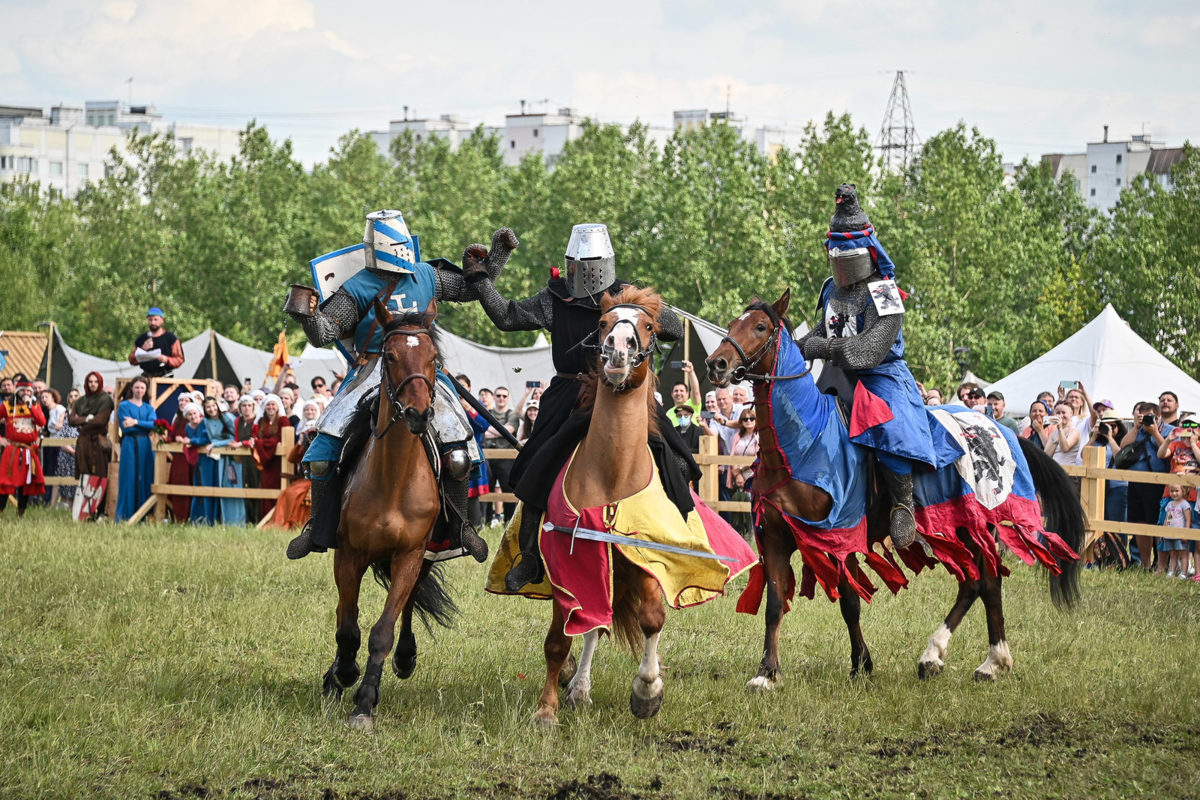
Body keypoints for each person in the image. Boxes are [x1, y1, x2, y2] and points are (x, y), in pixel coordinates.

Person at [467, 221, 693, 590]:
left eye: (594, 263)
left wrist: (639, 307)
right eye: (580, 264)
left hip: (620, 392)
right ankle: (529, 557)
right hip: (570, 394)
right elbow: (507, 317)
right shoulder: (555, 298)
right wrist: (480, 282)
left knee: (676, 455)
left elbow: (676, 329)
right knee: (535, 465)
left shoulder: (624, 298)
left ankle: (680, 532)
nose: (587, 272)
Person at [283, 211, 513, 562]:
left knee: (460, 450)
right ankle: (316, 527)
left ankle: (461, 527)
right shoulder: (358, 286)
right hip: (373, 367)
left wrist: (498, 256)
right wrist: (308, 317)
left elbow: (471, 289)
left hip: (422, 369)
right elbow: (326, 334)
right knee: (321, 450)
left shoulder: (425, 275)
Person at [796, 184, 962, 549]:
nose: (841, 263)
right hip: (838, 374)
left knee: (888, 427)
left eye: (847, 255)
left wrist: (820, 346)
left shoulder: (885, 292)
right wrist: (796, 348)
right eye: (835, 255)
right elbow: (821, 331)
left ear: (867, 253)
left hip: (882, 376)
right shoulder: (830, 289)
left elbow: (868, 351)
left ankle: (902, 504)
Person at [1119, 401, 1173, 570]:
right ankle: (1145, 563)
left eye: (1151, 416)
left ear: (1158, 416)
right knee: (1140, 523)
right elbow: (1123, 447)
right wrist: (1136, 427)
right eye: (1144, 416)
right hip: (1136, 482)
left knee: (1157, 523)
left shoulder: (1169, 430)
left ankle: (1160, 563)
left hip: (1158, 483)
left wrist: (1155, 432)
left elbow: (1168, 453)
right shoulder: (1138, 431)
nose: (1148, 419)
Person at [67, 371, 114, 516]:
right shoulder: (80, 401)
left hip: (98, 441)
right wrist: (86, 419)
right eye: (90, 382)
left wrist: (81, 422)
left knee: (99, 474)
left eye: (96, 382)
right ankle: (84, 511)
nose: (93, 384)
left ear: (100, 383)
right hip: (83, 442)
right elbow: (71, 421)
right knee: (84, 473)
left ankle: (99, 511)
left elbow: (100, 421)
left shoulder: (105, 400)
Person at [0, 380, 47, 517]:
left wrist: (30, 407)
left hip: (29, 450)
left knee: (26, 483)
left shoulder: (35, 406)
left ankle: (21, 512)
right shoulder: (7, 405)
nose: (25, 393)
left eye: (28, 391)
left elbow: (42, 422)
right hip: (12, 449)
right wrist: (1, 439)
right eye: (23, 390)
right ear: (17, 391)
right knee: (5, 482)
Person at [114, 376, 157, 521]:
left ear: (146, 390)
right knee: (128, 477)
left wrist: (136, 422)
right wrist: (143, 424)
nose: (139, 390)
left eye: (142, 388)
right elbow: (126, 427)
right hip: (130, 443)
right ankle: (125, 514)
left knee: (145, 476)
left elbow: (154, 425)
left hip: (145, 443)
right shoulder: (124, 406)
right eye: (137, 387)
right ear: (132, 388)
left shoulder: (149, 408)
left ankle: (144, 514)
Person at [483, 385, 520, 525]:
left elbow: (508, 431)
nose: (501, 398)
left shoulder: (512, 415)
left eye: (504, 396)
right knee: (487, 489)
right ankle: (486, 521)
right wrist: (501, 432)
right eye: (498, 395)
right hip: (487, 457)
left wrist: (490, 431)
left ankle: (509, 521)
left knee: (508, 489)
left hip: (506, 458)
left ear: (508, 398)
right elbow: (481, 432)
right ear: (494, 397)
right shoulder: (486, 412)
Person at [178, 403, 219, 525]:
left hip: (209, 458)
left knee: (209, 486)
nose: (193, 416)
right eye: (190, 414)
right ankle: (197, 518)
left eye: (194, 413)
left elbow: (207, 438)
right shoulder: (187, 427)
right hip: (196, 460)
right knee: (197, 486)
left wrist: (191, 441)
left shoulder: (205, 423)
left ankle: (211, 519)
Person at [254, 394, 290, 520]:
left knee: (276, 485)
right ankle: (265, 517)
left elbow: (280, 438)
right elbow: (258, 438)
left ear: (277, 406)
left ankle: (277, 518)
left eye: (273, 404)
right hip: (266, 462)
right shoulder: (261, 422)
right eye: (268, 404)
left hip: (277, 462)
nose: (270, 407)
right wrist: (260, 442)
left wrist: (260, 443)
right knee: (265, 485)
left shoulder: (283, 420)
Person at [128, 307, 185, 378]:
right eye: (150, 320)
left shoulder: (170, 338)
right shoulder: (142, 339)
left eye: (155, 319)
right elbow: (132, 360)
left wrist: (166, 359)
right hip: (146, 378)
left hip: (165, 377)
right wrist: (143, 349)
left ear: (162, 320)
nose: (153, 322)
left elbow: (179, 359)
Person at [39, 388, 67, 506]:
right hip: (49, 441)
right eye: (42, 397)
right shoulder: (47, 411)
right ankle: (46, 498)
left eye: (47, 397)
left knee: (53, 469)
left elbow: (60, 422)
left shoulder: (59, 408)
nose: (44, 399)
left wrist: (60, 422)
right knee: (46, 469)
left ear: (53, 397)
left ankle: (51, 499)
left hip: (57, 443)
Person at [727, 408, 760, 494]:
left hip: (753, 474)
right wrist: (737, 474)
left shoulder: (758, 437)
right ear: (741, 422)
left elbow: (758, 458)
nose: (748, 421)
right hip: (736, 474)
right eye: (745, 419)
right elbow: (732, 455)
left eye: (752, 418)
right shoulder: (737, 436)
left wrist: (740, 470)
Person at [1161, 485, 1190, 577]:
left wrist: (1185, 533)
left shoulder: (1185, 504)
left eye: (1177, 491)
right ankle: (1172, 571)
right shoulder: (1169, 504)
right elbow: (1167, 518)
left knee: (1183, 554)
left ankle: (1183, 573)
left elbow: (1188, 520)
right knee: (1172, 554)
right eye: (1172, 491)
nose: (1174, 493)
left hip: (1180, 534)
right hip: (1170, 534)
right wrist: (1163, 532)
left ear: (1183, 491)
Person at [665, 361, 701, 426]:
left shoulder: (692, 404)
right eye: (676, 391)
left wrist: (691, 372)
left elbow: (696, 391)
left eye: (682, 391)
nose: (678, 393)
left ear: (687, 394)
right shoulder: (668, 413)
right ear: (672, 394)